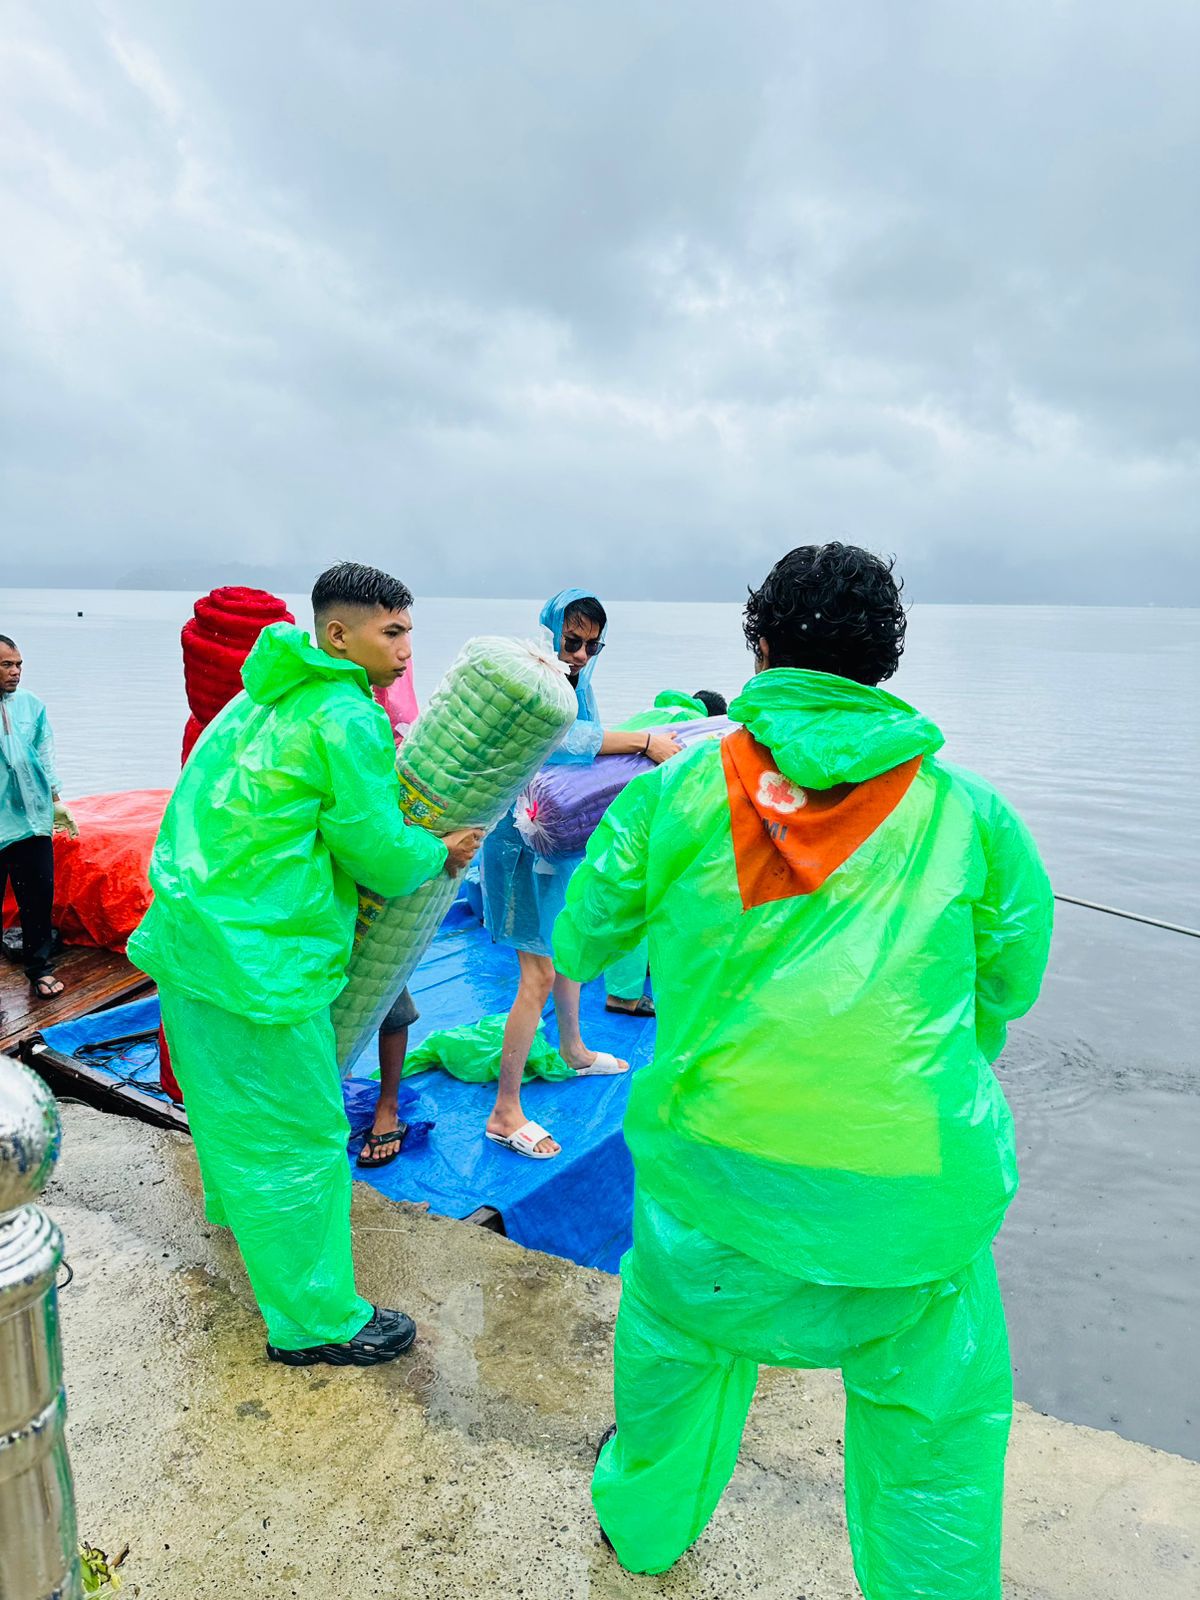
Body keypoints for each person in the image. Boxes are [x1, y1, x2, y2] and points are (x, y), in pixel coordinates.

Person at [554, 543, 1054, 1594]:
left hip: (713, 1178)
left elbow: (585, 938)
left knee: (673, 1367)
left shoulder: (677, 792)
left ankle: (642, 1534)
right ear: (887, 661)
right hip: (911, 1193)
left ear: (763, 646)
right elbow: (1010, 984)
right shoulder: (970, 815)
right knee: (935, 1449)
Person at [128, 564, 481, 1367]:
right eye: (392, 632)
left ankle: (242, 1222)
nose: (404, 650)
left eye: (409, 632)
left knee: (226, 1109)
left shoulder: (259, 696)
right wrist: (443, 850)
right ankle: (315, 1320)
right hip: (262, 959)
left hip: (190, 936)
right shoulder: (345, 717)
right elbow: (380, 853)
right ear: (338, 635)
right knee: (303, 1137)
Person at [481, 590, 682, 1159]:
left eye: (594, 645)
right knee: (538, 974)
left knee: (567, 943)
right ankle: (504, 1111)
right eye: (573, 641)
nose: (582, 654)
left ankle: (572, 1048)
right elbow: (565, 742)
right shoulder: (532, 680)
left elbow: (586, 735)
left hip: (557, 838)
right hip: (520, 843)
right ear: (551, 633)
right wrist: (644, 742)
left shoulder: (578, 680)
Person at [603, 688, 729, 1018]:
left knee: (618, 891)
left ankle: (631, 970)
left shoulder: (651, 715)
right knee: (641, 895)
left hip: (600, 811)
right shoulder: (697, 728)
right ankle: (623, 995)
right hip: (639, 815)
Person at [358, 660, 423, 1170]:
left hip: (383, 871)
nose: (402, 650)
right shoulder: (333, 715)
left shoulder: (392, 710)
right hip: (327, 881)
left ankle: (388, 1104)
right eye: (391, 635)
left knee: (389, 994)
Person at [0, 634, 78, 1000]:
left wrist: (56, 800)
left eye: (18, 665)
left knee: (37, 900)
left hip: (31, 819)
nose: (15, 672)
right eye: (6, 665)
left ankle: (39, 969)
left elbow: (45, 753)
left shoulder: (31, 705)